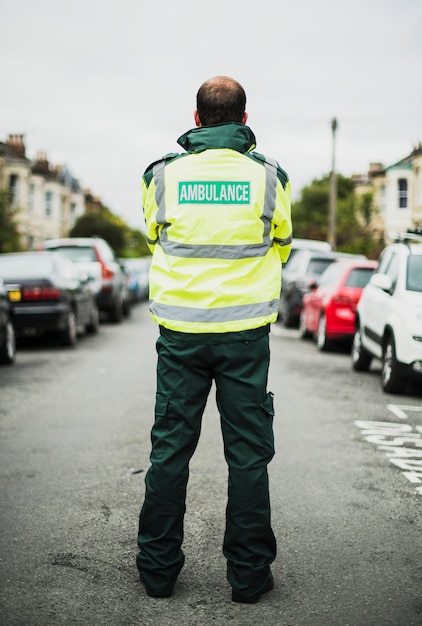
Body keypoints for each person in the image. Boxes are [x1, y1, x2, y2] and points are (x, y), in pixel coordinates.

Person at [136, 76, 292, 604]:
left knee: (170, 451)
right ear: (244, 121)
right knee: (247, 457)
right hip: (245, 337)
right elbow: (283, 245)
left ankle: (158, 573)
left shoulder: (162, 176)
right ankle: (248, 579)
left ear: (197, 119)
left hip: (180, 334)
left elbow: (155, 237)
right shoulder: (269, 177)